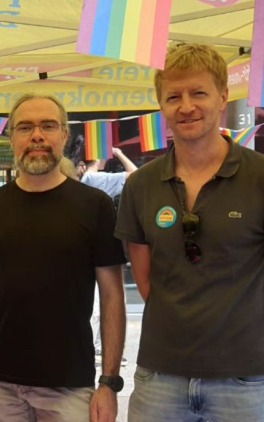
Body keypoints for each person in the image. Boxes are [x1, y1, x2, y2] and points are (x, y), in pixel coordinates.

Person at [116, 43, 264, 421]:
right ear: (161, 106)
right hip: (159, 377)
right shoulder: (141, 185)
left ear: (223, 96)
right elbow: (145, 280)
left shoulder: (259, 177)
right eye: (173, 96)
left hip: (246, 380)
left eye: (198, 93)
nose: (186, 107)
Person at [0, 93, 127, 422]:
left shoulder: (95, 206)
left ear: (64, 135)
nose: (37, 135)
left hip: (69, 385)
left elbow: (113, 296)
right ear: (11, 138)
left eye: (48, 126)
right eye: (25, 127)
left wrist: (108, 383)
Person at [78, 147, 137, 365]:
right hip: (99, 248)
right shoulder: (95, 178)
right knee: (104, 300)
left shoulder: (81, 177)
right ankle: (96, 348)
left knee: (94, 300)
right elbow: (135, 174)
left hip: (83, 247)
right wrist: (120, 153)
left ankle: (94, 347)